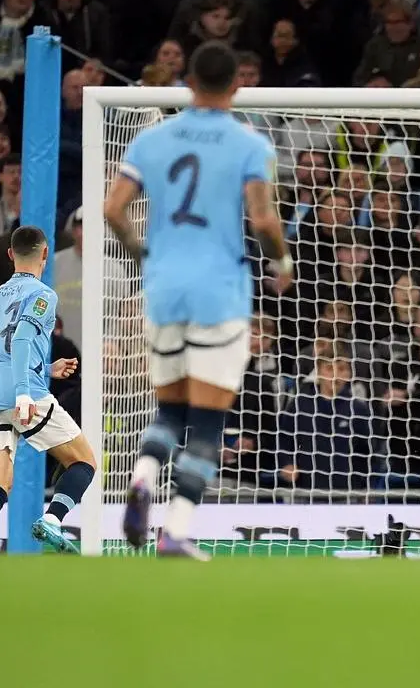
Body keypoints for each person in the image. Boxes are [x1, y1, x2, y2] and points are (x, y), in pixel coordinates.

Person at [102, 41, 291, 560]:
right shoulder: (248, 142)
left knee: (168, 410)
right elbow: (264, 221)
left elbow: (114, 208)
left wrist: (143, 254)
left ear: (187, 84)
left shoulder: (152, 138)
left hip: (162, 288)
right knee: (206, 423)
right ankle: (175, 531)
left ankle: (142, 477)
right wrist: (282, 262)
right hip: (219, 293)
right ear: (236, 86)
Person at [0, 226, 91, 555]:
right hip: (24, 394)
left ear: (9, 255)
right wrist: (23, 392)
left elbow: (0, 354)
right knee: (83, 461)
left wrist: (47, 368)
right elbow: (18, 340)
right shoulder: (43, 294)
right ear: (45, 254)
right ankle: (52, 520)